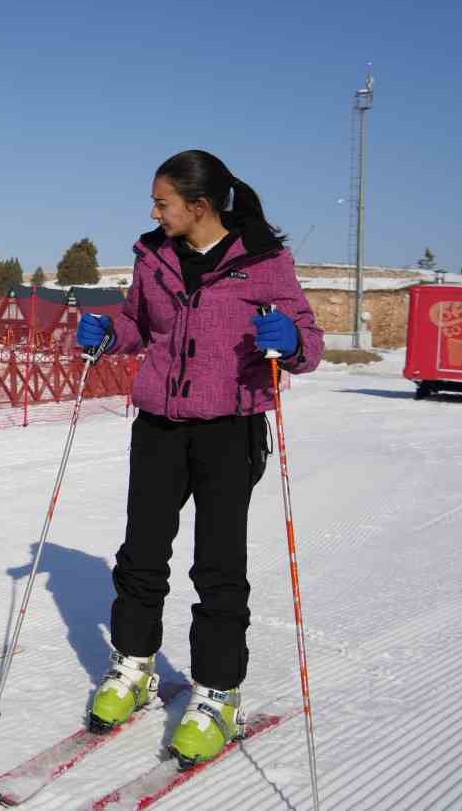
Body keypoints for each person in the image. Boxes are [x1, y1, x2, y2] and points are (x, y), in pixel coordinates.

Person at [76, 149, 322, 766]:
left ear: (199, 206)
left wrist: (290, 341)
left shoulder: (264, 264)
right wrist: (108, 333)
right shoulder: (152, 257)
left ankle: (217, 693)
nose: (155, 213)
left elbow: (309, 344)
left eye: (163, 203)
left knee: (217, 565)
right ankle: (134, 666)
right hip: (159, 424)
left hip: (228, 428)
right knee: (141, 553)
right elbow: (138, 324)